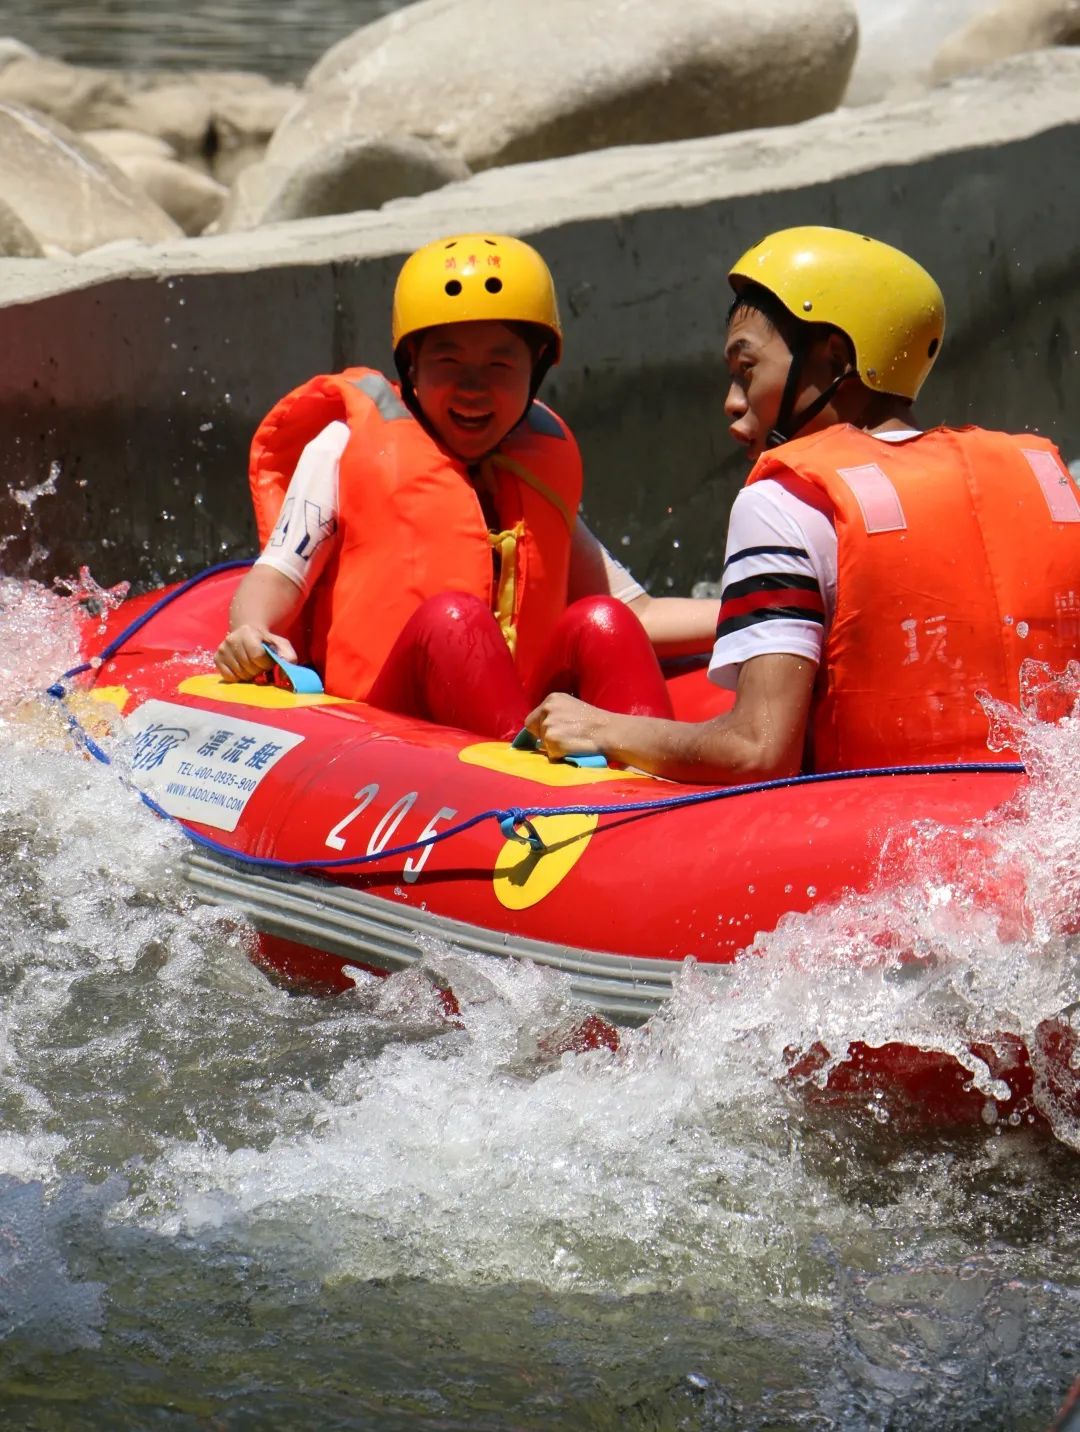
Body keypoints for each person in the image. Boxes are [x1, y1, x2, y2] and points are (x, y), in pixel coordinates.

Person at [526, 225, 1080, 781]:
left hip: (877, 822)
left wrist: (602, 728)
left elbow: (758, 752)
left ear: (835, 357)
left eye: (747, 370)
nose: (731, 402)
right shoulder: (1046, 483)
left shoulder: (784, 501)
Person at [215, 232, 717, 738]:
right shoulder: (344, 446)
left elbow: (637, 612)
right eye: (448, 362)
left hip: (514, 720)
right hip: (386, 725)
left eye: (500, 365)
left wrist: (755, 612)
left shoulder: (535, 472)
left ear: (536, 370)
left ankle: (653, 770)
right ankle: (515, 768)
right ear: (412, 366)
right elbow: (278, 574)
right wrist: (250, 630)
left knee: (602, 620)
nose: (473, 388)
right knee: (453, 621)